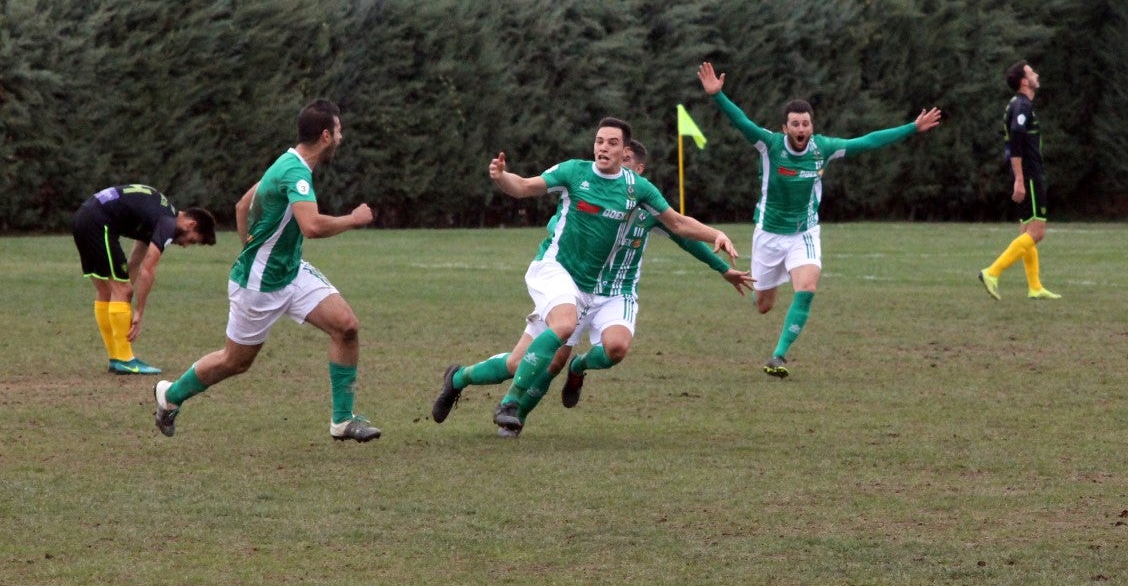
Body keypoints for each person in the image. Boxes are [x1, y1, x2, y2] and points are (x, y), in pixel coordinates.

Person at [431, 117, 742, 437]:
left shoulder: (639, 192)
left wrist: (715, 235)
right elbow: (523, 186)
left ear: (624, 153)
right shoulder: (574, 172)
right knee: (562, 330)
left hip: (600, 289)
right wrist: (501, 177)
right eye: (599, 141)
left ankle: (458, 378)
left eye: (612, 143)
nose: (603, 147)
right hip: (555, 270)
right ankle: (510, 405)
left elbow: (678, 226)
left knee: (518, 364)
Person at [153, 99, 381, 442]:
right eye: (338, 131)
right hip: (259, 284)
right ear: (324, 135)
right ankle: (170, 395)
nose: (341, 138)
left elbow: (242, 204)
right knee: (235, 361)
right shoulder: (295, 171)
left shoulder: (287, 161)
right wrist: (354, 219)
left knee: (347, 327)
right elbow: (312, 226)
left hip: (290, 271)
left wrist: (251, 245)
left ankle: (343, 421)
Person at [697, 61, 942, 378]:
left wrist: (911, 128)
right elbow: (741, 121)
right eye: (794, 124)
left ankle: (778, 355)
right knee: (763, 305)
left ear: (811, 127)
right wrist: (717, 96)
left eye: (805, 124)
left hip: (804, 232)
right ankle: (770, 298)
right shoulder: (770, 145)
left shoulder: (822, 148)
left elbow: (866, 141)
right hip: (769, 234)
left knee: (808, 286)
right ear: (785, 128)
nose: (800, 129)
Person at [72, 184, 216, 375]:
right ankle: (125, 360)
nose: (185, 245)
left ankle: (117, 358)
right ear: (191, 225)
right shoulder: (167, 222)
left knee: (107, 291)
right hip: (98, 223)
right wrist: (138, 312)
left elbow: (134, 264)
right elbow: (148, 270)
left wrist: (125, 297)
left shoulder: (157, 215)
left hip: (84, 217)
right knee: (120, 290)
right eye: (192, 240)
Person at [978, 60, 1060, 301]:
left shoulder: (1016, 104)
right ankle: (992, 272)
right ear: (1024, 81)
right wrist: (1021, 179)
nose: (1036, 74)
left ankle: (1035, 287)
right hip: (1030, 174)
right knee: (1037, 231)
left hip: (1025, 173)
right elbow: (1015, 136)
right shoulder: (1023, 106)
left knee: (1026, 228)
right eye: (1031, 72)